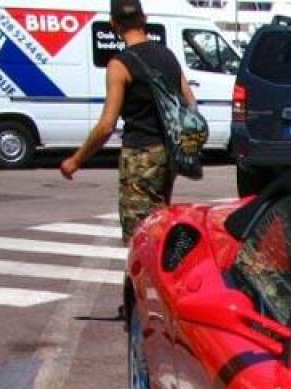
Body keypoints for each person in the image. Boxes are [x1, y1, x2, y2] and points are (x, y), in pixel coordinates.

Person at [59, 0, 196, 243]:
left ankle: (143, 280)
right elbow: (190, 102)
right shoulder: (168, 56)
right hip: (169, 152)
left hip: (140, 155)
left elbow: (106, 125)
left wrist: (75, 160)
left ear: (114, 24)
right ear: (144, 18)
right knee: (159, 226)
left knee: (140, 237)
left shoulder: (119, 65)